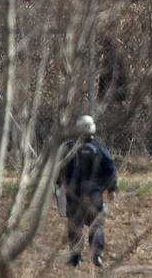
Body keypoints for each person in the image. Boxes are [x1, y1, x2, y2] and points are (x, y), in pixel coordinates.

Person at [58, 115, 117, 268]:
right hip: (94, 193)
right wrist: (112, 188)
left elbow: (61, 171)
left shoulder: (69, 149)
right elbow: (110, 169)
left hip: (74, 194)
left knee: (74, 225)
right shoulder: (98, 149)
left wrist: (59, 186)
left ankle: (75, 258)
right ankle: (96, 255)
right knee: (95, 224)